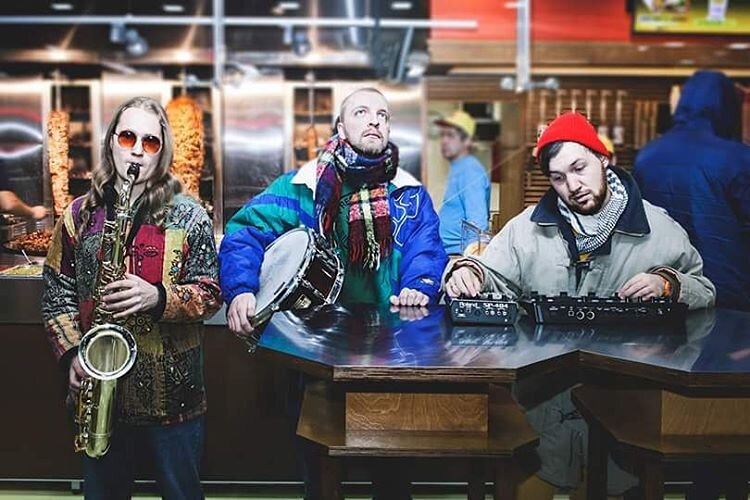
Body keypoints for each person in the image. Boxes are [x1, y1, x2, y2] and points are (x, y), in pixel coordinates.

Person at [444, 111, 715, 498]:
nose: (572, 186)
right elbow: (490, 272)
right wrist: (468, 272)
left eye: (579, 168)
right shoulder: (525, 229)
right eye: (558, 177)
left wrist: (669, 283)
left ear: (603, 158)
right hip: (540, 406)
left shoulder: (660, 229)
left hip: (624, 412)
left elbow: (704, 289)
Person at [219, 87, 448, 500]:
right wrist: (240, 289)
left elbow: (426, 248)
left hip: (390, 359)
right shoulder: (302, 188)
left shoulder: (408, 194)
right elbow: (244, 233)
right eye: (361, 112)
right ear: (340, 127)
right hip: (314, 359)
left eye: (382, 114)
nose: (374, 120)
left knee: (394, 477)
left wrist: (420, 285)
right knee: (319, 473)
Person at [41, 96, 222, 500]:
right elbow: (56, 293)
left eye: (150, 142)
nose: (137, 150)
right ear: (111, 142)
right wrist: (73, 355)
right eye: (127, 137)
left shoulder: (191, 216)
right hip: (101, 396)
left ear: (162, 152)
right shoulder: (77, 216)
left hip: (175, 402)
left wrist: (157, 298)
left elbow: (211, 294)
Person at [633, 70, 750, 311]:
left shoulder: (647, 156)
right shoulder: (738, 158)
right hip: (729, 289)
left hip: (667, 286)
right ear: (727, 107)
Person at [434, 110, 490, 256]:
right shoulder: (459, 167)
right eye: (442, 135)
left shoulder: (470, 169)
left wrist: (470, 262)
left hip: (457, 255)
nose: (444, 141)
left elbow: (476, 222)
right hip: (447, 252)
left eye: (450, 135)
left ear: (466, 141)